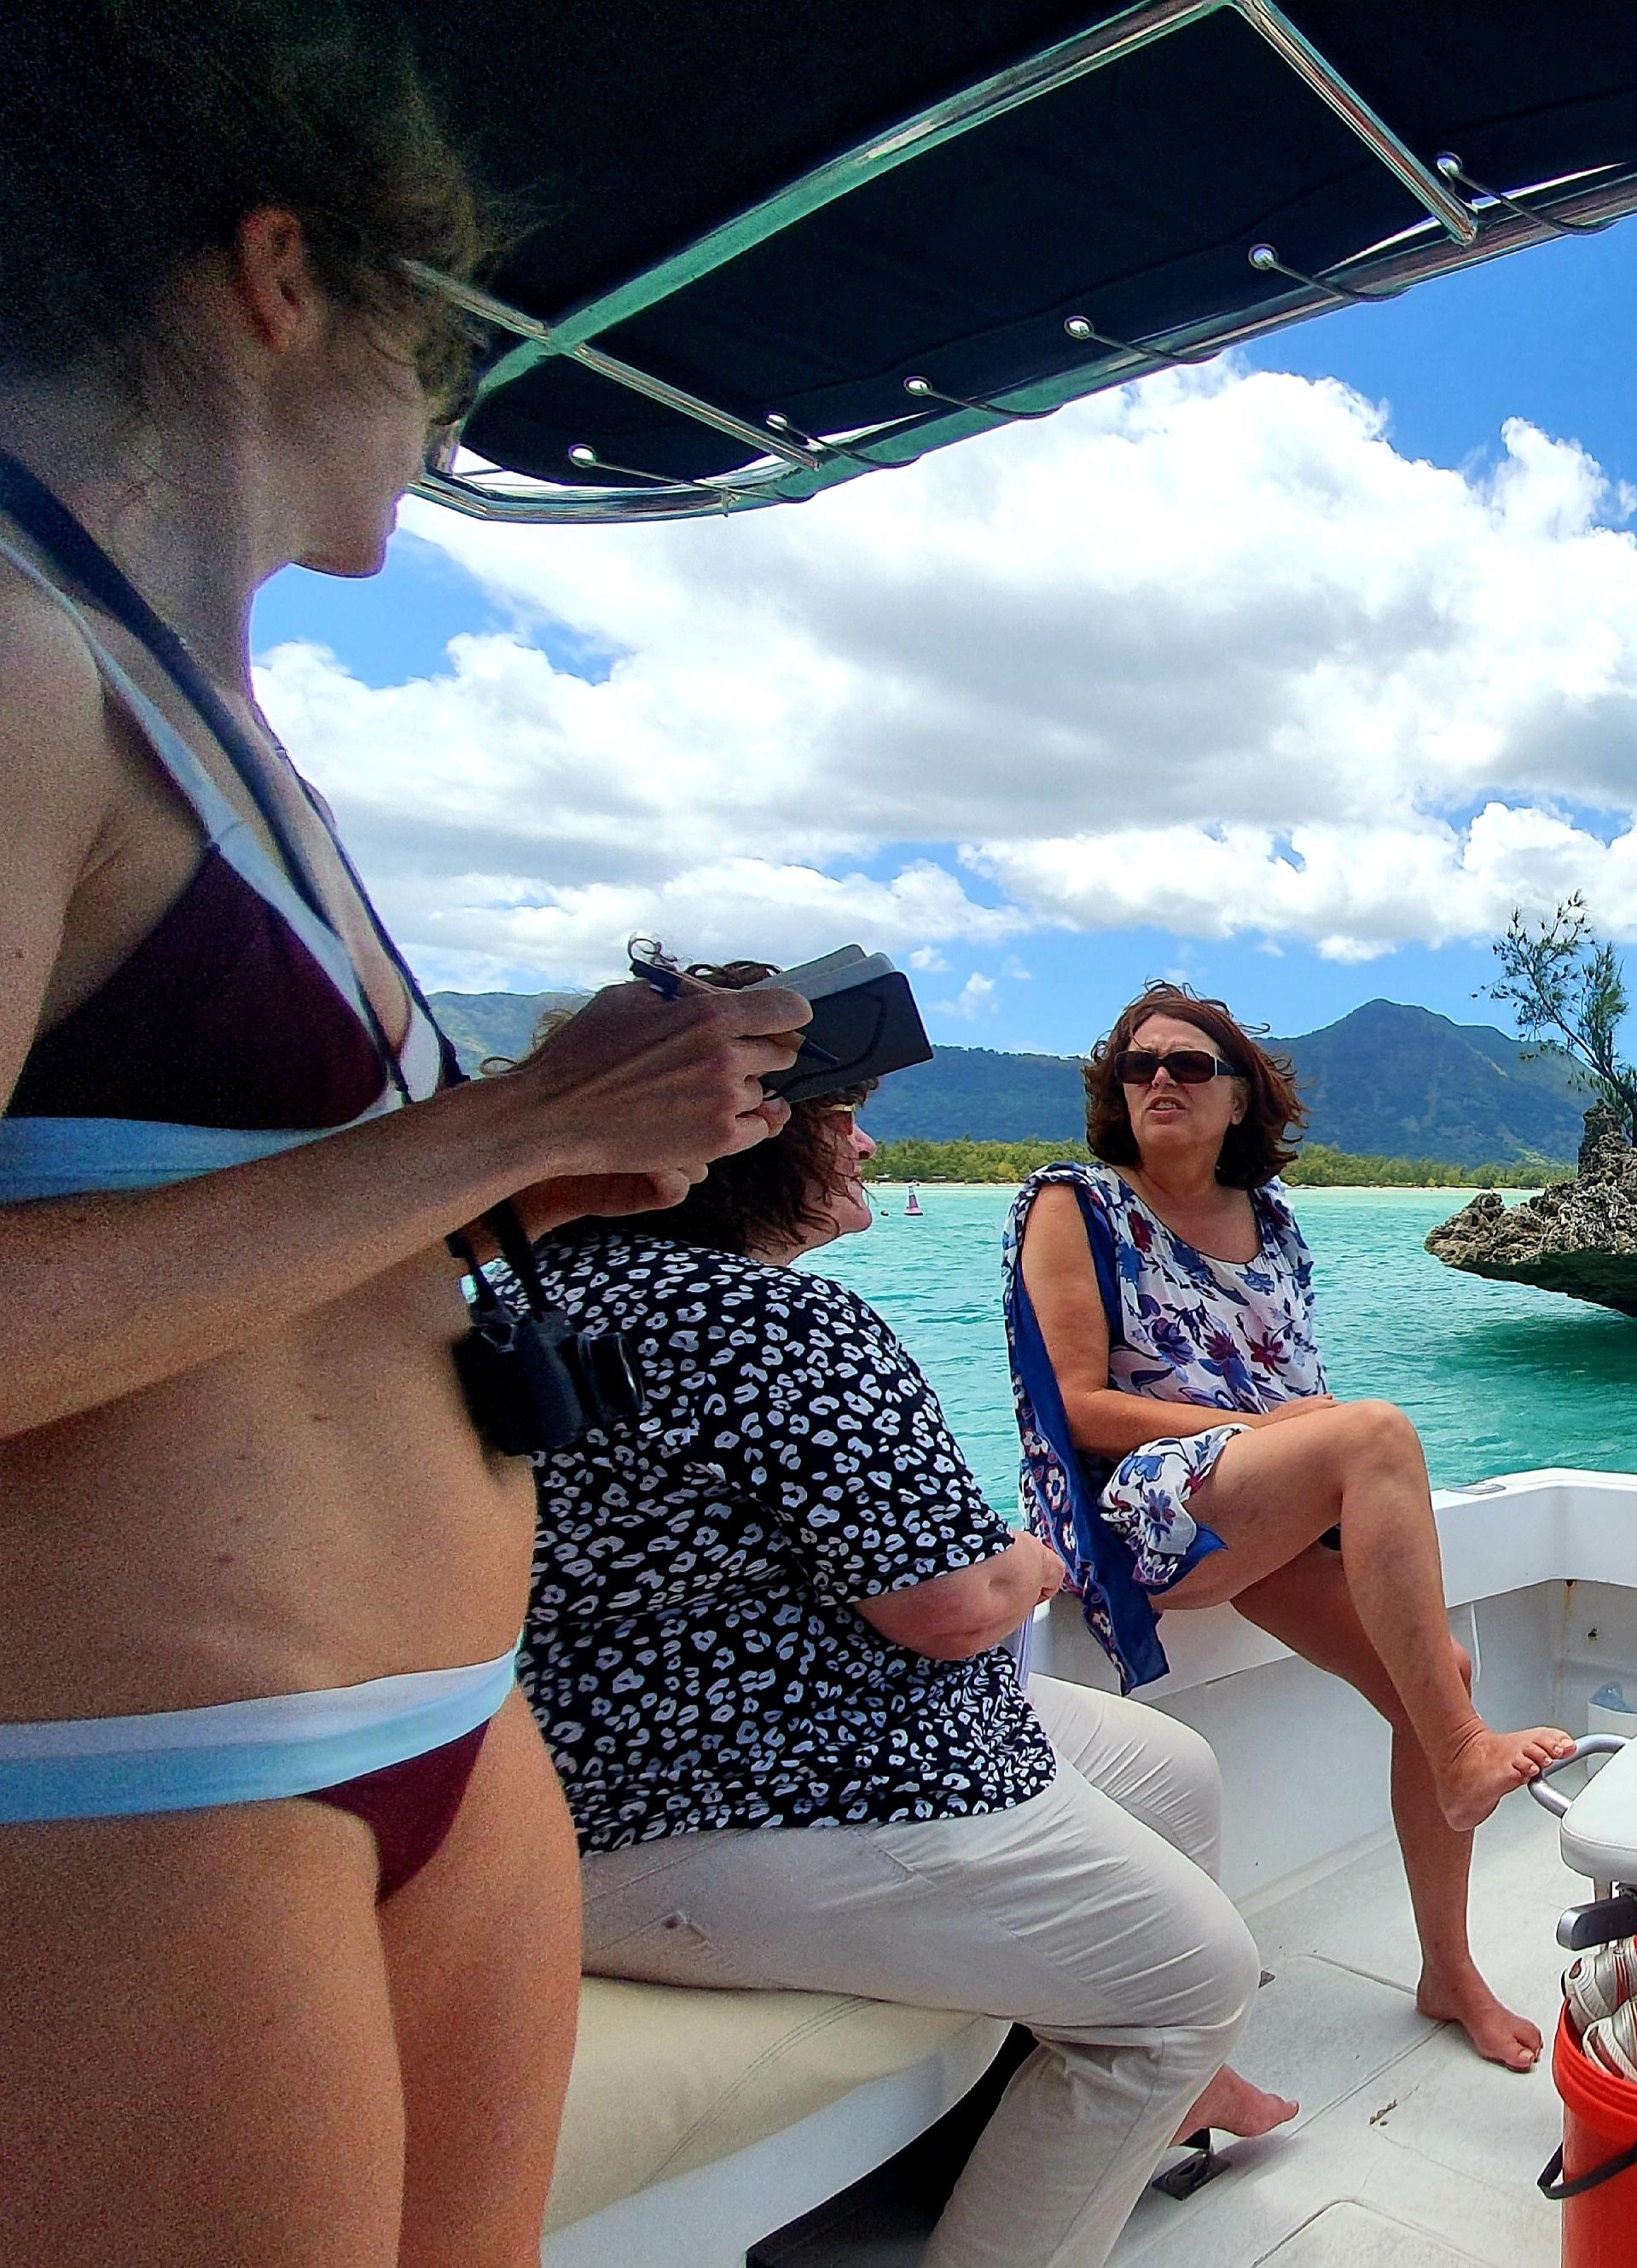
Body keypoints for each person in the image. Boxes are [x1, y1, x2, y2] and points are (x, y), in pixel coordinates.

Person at [0, 11, 809, 2263]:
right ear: (279, 272)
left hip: (463, 1730)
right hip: (164, 1797)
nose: (445, 411)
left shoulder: (231, 736)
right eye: (431, 341)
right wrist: (510, 1121)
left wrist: (534, 1172)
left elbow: (205, 1233)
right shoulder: (17, 656)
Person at [527, 1001, 1294, 2268]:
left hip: (616, 1761)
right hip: (738, 1799)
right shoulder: (773, 1323)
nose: (864, 1149)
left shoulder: (545, 1295)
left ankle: (1145, 2111)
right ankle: (1148, 2071)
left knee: (1169, 1770)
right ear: (746, 1147)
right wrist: (1034, 1561)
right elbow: (948, 1607)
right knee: (1191, 1983)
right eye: (838, 1121)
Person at [1009, 983, 1574, 2070]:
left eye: (1188, 1066)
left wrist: (1286, 1447)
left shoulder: (1270, 1221)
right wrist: (1266, 1429)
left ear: (1237, 1101)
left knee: (1437, 1667)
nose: (1161, 1080)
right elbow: (1076, 1403)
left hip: (1248, 1498)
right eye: (1139, 1066)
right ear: (1115, 1094)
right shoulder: (1072, 1202)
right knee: (1372, 1436)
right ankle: (1464, 1755)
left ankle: (1445, 1972)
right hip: (1142, 1507)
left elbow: (1292, 1397)